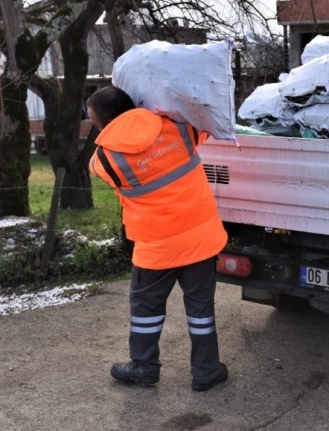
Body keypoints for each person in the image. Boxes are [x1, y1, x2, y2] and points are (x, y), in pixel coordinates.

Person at [87, 86, 229, 391]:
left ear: (102, 123)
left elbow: (103, 172)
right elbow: (204, 128)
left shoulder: (104, 160)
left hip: (156, 249)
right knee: (201, 311)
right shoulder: (178, 129)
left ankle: (144, 367)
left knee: (146, 311)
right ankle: (206, 371)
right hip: (200, 241)